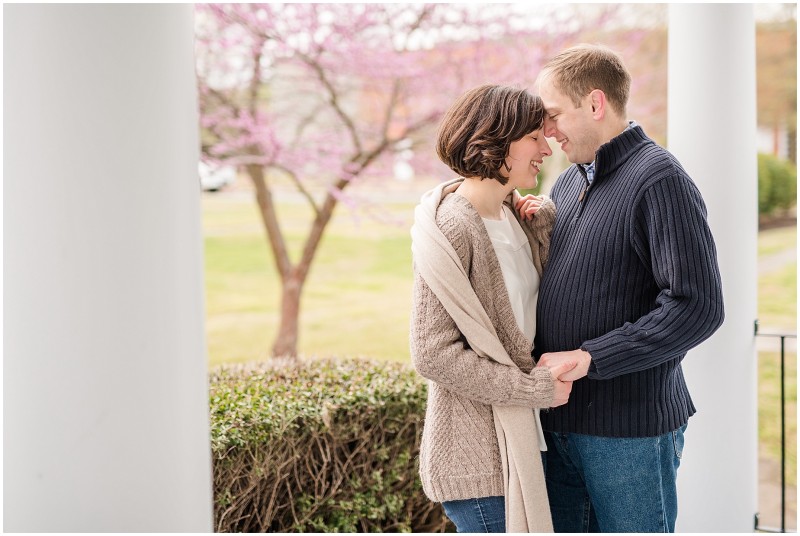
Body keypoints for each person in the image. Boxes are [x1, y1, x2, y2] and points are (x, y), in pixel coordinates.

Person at [522, 44, 725, 533]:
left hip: (628, 434)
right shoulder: (569, 182)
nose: (547, 133)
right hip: (558, 424)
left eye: (552, 116)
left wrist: (591, 357)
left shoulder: (659, 178)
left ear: (595, 104)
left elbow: (697, 307)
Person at [409, 84, 576, 533]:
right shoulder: (454, 227)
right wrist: (532, 390)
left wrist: (540, 229)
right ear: (497, 140)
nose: (546, 148)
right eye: (534, 138)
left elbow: (527, 311)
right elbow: (432, 352)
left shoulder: (511, 216)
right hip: (478, 459)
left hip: (523, 443)